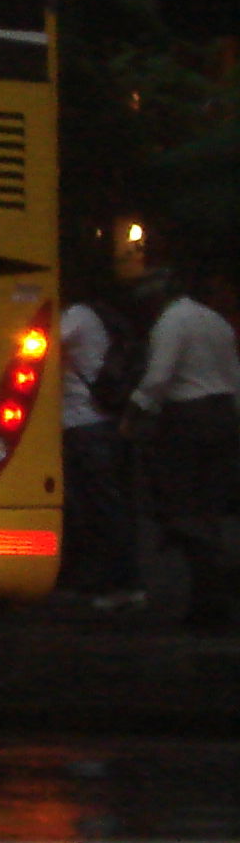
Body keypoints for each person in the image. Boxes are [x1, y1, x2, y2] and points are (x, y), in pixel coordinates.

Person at [127, 269, 239, 630]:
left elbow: (159, 376)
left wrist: (134, 411)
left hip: (187, 420)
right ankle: (213, 598)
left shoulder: (172, 322)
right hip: (222, 415)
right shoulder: (216, 322)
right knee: (209, 511)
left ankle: (208, 594)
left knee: (183, 510)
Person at [57, 285, 144, 611]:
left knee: (103, 509)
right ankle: (102, 580)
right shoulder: (87, 316)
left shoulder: (78, 317)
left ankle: (124, 583)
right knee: (96, 508)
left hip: (86, 423)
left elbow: (37, 345)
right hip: (92, 424)